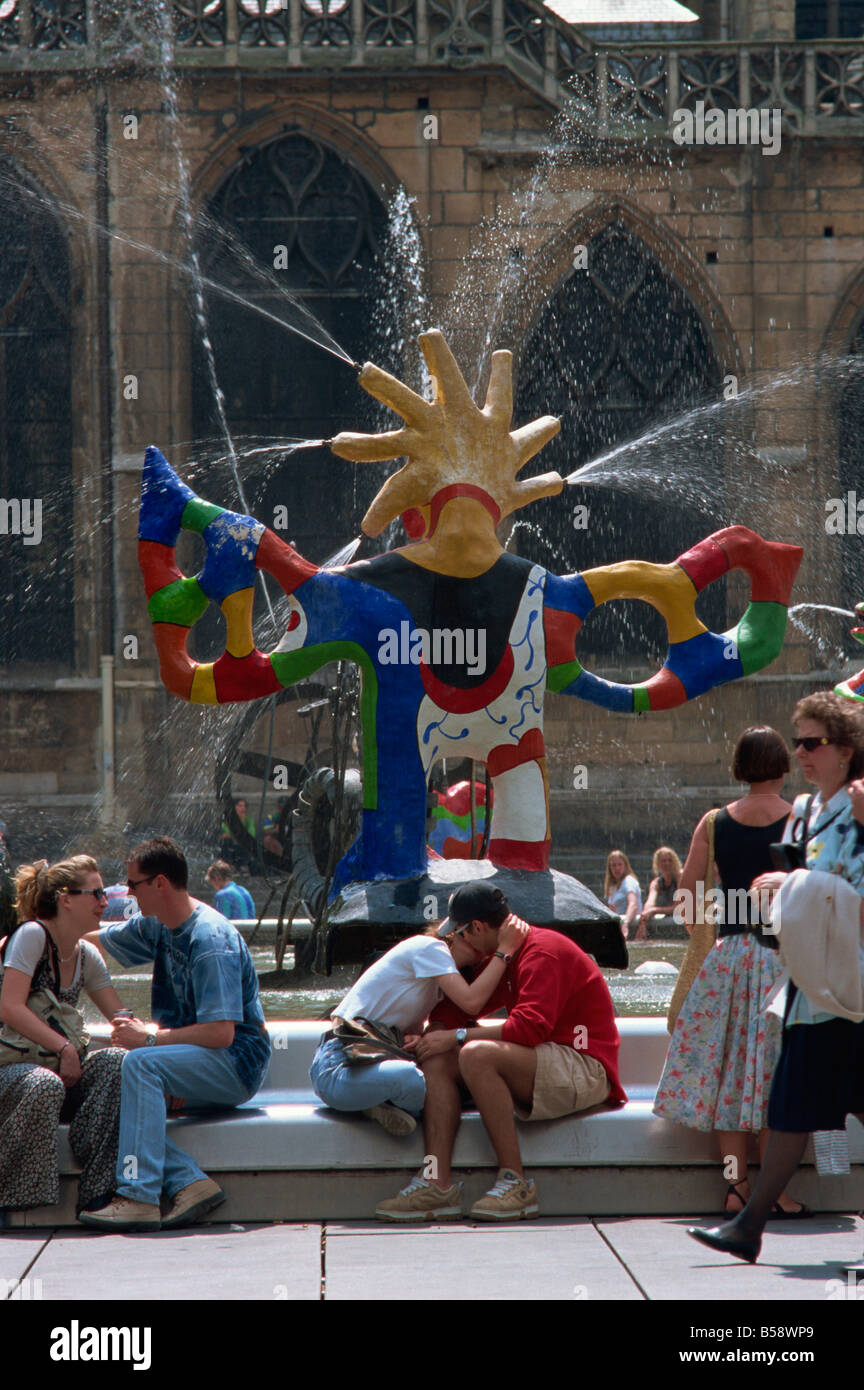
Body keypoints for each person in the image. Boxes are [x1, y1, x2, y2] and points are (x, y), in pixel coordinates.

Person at [688, 693, 864, 1264]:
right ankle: (750, 1222)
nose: (801, 753)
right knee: (787, 1102)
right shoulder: (809, 810)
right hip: (812, 982)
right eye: (798, 743)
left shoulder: (859, 805)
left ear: (845, 750)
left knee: (790, 1101)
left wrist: (782, 889)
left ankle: (748, 1220)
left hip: (844, 982)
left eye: (813, 743)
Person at [376, 882, 626, 1222]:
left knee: (475, 1053)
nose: (454, 944)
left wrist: (456, 1036)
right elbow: (453, 1011)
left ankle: (516, 1183)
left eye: (458, 936)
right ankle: (437, 1184)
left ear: (477, 928)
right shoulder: (504, 954)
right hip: (545, 1057)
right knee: (437, 1056)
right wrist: (435, 1034)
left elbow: (529, 1028)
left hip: (584, 1066)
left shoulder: (543, 951)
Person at [79, 836, 271, 1233]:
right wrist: (33, 938)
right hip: (193, 1058)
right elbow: (95, 941)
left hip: (235, 1065)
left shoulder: (210, 941)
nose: (126, 893)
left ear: (160, 884)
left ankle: (139, 1197)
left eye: (133, 885)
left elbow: (221, 1034)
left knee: (139, 1065)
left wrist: (149, 1041)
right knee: (120, 1090)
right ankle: (188, 1181)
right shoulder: (159, 926)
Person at [653, 727, 805, 1216]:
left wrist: (720, 911)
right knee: (772, 1077)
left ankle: (735, 1186)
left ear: (739, 768)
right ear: (783, 767)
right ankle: (773, 1191)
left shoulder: (715, 822)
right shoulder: (801, 817)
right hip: (785, 959)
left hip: (730, 957)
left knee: (729, 1075)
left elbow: (686, 897)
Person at [310, 913, 529, 1135]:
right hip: (339, 1066)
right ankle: (372, 1104)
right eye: (474, 931)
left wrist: (420, 1039)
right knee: (414, 1080)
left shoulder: (439, 987)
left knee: (440, 1086)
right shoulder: (430, 948)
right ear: (454, 932)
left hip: (378, 1065)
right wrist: (504, 952)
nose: (481, 945)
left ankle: (375, 1104)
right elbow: (472, 1002)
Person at [0, 856, 127, 1219]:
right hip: (13, 1072)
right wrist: (64, 1046)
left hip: (55, 1072)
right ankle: (13, 1199)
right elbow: (9, 1007)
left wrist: (161, 1044)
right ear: (65, 898)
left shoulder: (87, 955)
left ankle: (98, 1193)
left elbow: (121, 1018)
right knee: (44, 1084)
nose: (105, 902)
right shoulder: (31, 936)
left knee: (117, 1064)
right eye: (97, 893)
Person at [638, 847, 682, 940]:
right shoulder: (656, 883)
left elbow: (678, 908)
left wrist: (654, 910)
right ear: (657, 864)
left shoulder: (680, 877)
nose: (667, 863)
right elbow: (649, 903)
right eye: (663, 861)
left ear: (675, 862)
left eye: (670, 860)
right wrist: (643, 920)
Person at [604, 850, 641, 941]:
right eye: (614, 865)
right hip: (618, 926)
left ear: (625, 865)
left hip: (631, 927)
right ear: (609, 868)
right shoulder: (612, 886)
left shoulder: (628, 881)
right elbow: (612, 910)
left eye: (620, 865)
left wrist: (625, 923)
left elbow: (633, 904)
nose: (617, 868)